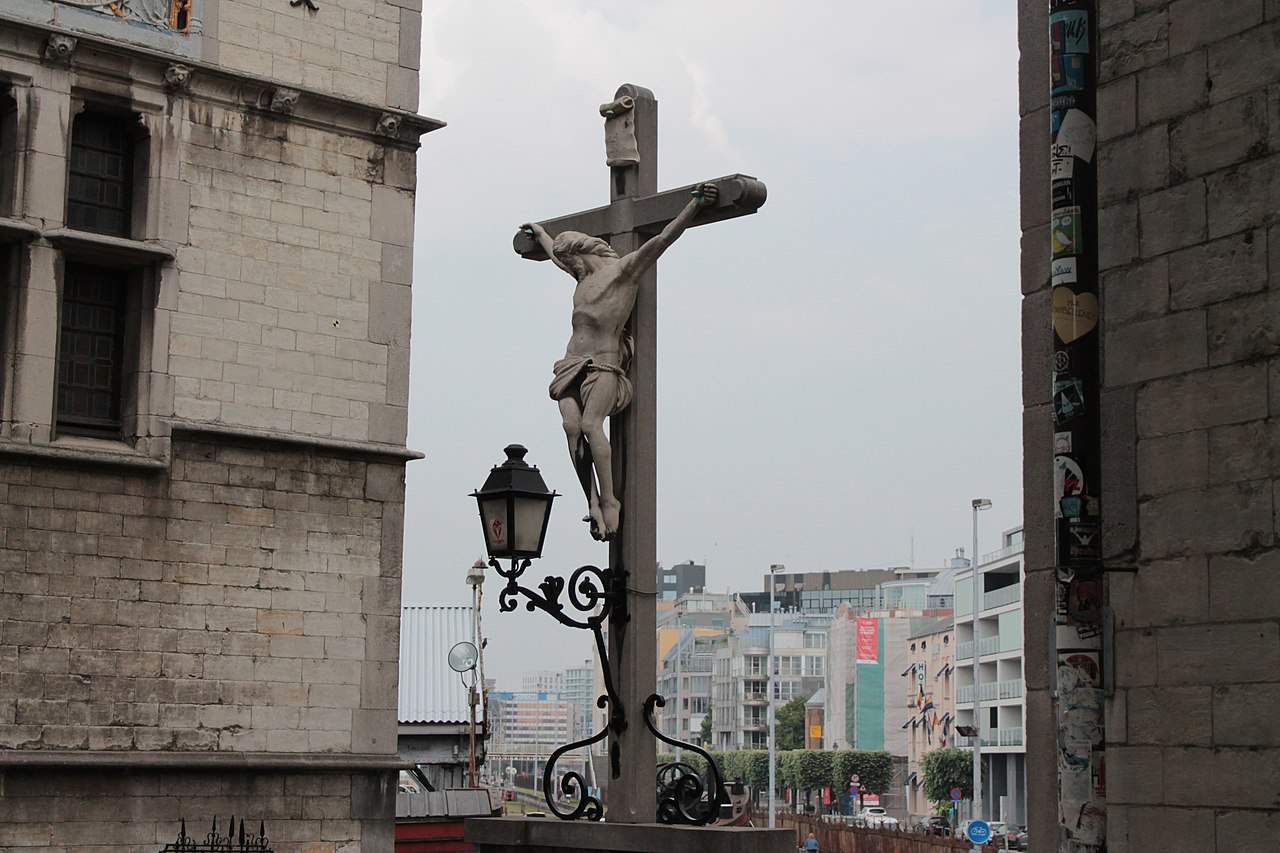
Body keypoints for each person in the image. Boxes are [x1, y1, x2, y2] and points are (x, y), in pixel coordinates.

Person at [522, 183, 718, 541]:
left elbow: (659, 242)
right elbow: (554, 254)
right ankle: (591, 501)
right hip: (571, 362)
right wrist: (541, 234)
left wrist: (694, 208)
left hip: (604, 364)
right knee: (571, 428)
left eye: (571, 261)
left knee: (591, 425)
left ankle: (610, 500)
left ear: (580, 253)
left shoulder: (624, 272)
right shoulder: (582, 278)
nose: (568, 267)